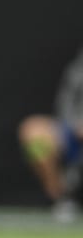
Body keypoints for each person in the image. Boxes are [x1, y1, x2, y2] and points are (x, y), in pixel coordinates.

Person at [18, 47, 83, 223]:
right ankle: (62, 198)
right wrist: (76, 124)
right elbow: (67, 100)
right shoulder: (79, 66)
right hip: (74, 133)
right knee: (33, 132)